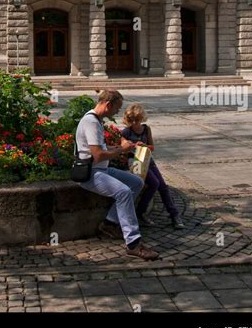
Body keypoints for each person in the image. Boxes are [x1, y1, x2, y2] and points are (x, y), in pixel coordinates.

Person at [75, 90, 160, 261]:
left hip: (101, 169)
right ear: (108, 105)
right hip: (90, 173)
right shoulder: (91, 122)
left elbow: (100, 150)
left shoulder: (96, 120)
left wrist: (119, 148)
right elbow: (98, 155)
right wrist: (122, 150)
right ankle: (134, 243)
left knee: (136, 182)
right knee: (123, 192)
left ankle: (109, 223)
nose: (117, 112)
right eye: (117, 108)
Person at [121, 103, 185, 229]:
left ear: (141, 118)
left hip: (147, 159)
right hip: (135, 161)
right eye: (132, 120)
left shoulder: (146, 129)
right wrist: (133, 146)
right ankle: (141, 212)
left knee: (163, 186)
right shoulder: (126, 132)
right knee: (154, 183)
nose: (135, 123)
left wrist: (144, 146)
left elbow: (152, 147)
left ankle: (174, 215)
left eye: (137, 120)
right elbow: (122, 148)